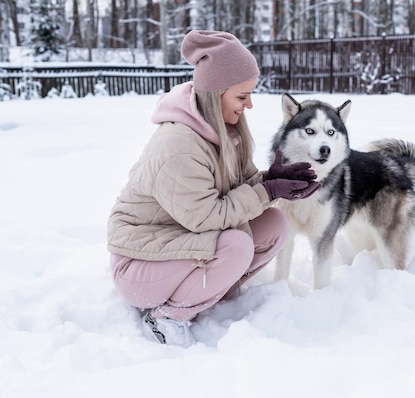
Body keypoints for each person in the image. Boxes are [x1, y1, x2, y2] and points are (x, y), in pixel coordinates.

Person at [107, 30, 320, 347]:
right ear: (216, 93)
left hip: (178, 241)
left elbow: (238, 192)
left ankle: (209, 292)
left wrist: (269, 179)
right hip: (139, 263)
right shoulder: (178, 146)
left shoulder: (225, 131)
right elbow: (206, 216)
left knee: (275, 224)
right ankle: (167, 317)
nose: (249, 105)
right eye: (242, 96)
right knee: (236, 246)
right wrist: (268, 191)